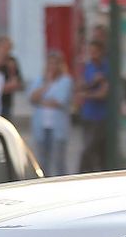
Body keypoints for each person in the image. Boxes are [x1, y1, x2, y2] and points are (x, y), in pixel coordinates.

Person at [28, 50, 75, 176]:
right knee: (42, 160)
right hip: (41, 125)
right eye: (50, 64)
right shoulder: (39, 80)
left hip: (58, 126)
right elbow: (32, 98)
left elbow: (59, 101)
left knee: (58, 160)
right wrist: (47, 85)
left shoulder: (66, 81)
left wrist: (41, 101)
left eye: (55, 64)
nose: (52, 67)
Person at [75, 38, 109, 173]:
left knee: (91, 147)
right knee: (89, 145)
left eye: (95, 52)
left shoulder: (106, 67)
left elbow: (103, 93)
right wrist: (90, 85)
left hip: (100, 115)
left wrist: (86, 94)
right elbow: (80, 85)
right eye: (90, 51)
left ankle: (84, 172)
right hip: (88, 114)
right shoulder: (89, 67)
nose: (92, 54)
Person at [0, 35, 23, 119]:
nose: (6, 51)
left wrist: (11, 71)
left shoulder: (11, 61)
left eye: (9, 48)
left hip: (6, 102)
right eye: (4, 47)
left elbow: (18, 83)